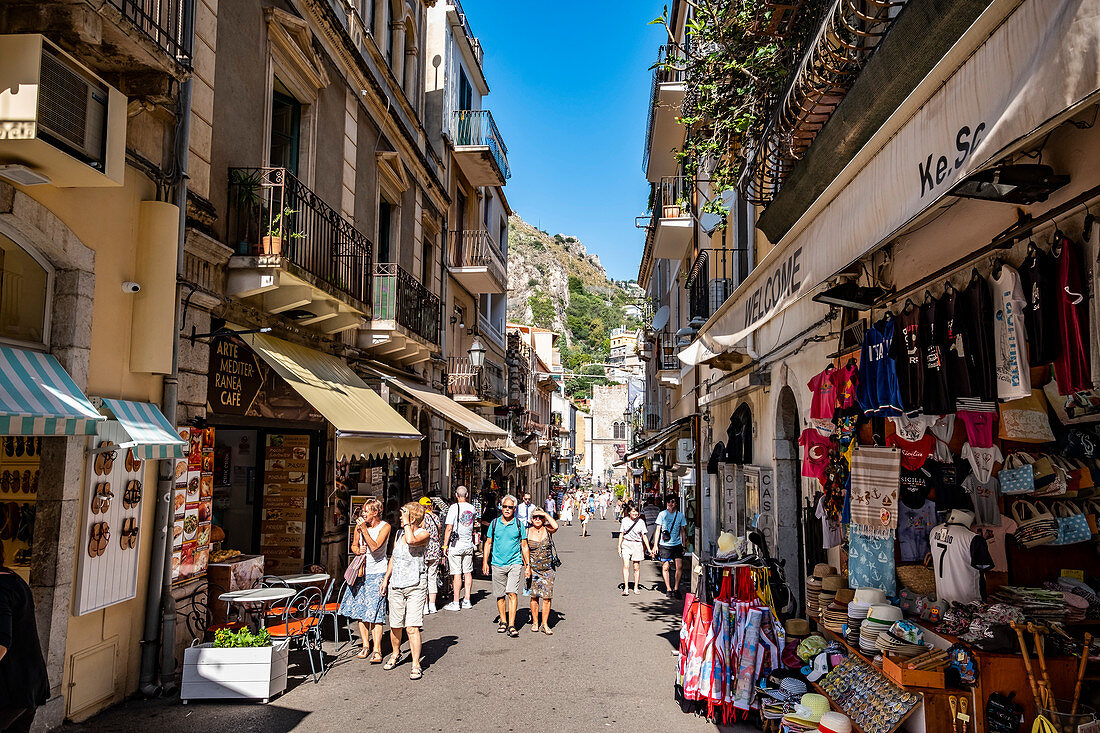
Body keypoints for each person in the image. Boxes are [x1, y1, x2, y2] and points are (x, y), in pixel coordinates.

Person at [0, 541, 49, 733]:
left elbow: (2, 642)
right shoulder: (13, 579)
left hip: (10, 692)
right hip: (27, 685)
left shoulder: (2, 589)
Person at [381, 502, 430, 680]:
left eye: (403, 515)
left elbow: (411, 541)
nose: (400, 518)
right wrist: (386, 578)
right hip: (397, 583)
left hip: (415, 584)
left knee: (412, 627)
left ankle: (416, 663)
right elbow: (394, 556)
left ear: (412, 517)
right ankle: (396, 653)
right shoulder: (399, 533)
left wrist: (408, 523)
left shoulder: (423, 533)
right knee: (395, 625)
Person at [338, 498, 390, 662]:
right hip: (361, 573)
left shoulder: (385, 527)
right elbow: (353, 546)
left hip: (377, 572)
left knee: (375, 612)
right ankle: (366, 645)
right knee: (360, 611)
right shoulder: (359, 529)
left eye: (367, 511)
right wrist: (357, 550)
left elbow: (375, 547)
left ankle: (377, 649)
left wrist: (363, 531)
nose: (363, 514)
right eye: (363, 511)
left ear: (375, 512)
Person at [482, 493, 530, 637]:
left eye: (510, 507)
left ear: (514, 509)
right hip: (497, 563)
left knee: (512, 592)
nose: (507, 509)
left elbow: (524, 545)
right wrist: (485, 562)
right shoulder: (495, 523)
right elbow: (488, 543)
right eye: (505, 506)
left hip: (515, 563)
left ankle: (511, 624)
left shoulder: (518, 524)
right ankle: (503, 621)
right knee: (500, 595)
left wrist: (527, 565)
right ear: (501, 507)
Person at [442, 486, 478, 610]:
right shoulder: (472, 508)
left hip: (456, 545)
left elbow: (448, 528)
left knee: (456, 573)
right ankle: (467, 599)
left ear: (456, 495)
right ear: (467, 494)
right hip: (468, 544)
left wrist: (445, 545)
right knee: (467, 572)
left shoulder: (453, 508)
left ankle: (456, 601)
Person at [525, 509, 559, 634]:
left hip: (547, 569)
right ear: (531, 519)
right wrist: (527, 567)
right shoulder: (527, 532)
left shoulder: (547, 530)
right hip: (533, 569)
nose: (538, 519)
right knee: (534, 597)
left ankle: (544, 623)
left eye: (540, 517)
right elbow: (525, 551)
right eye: (535, 517)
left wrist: (545, 514)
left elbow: (556, 526)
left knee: (547, 597)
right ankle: (535, 622)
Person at [656, 495, 688, 598]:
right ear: (666, 503)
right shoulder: (662, 514)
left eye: (673, 502)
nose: (671, 504)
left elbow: (683, 531)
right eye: (669, 502)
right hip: (664, 545)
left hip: (677, 544)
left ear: (676, 503)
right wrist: (655, 545)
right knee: (666, 566)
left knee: (679, 566)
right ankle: (669, 589)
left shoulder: (680, 515)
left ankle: (676, 588)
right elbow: (658, 530)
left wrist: (684, 545)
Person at [618, 503, 654, 596]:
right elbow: (621, 534)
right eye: (633, 511)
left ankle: (636, 587)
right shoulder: (625, 521)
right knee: (626, 565)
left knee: (636, 567)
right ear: (629, 512)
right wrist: (619, 546)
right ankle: (626, 588)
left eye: (636, 511)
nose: (635, 513)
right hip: (626, 544)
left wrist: (649, 549)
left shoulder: (641, 522)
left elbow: (644, 536)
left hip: (637, 544)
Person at [418, 497, 442, 615]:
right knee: (432, 576)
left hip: (425, 548)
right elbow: (439, 532)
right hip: (435, 548)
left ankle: (425, 605)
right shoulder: (436, 518)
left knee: (424, 577)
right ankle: (433, 605)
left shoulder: (422, 518)